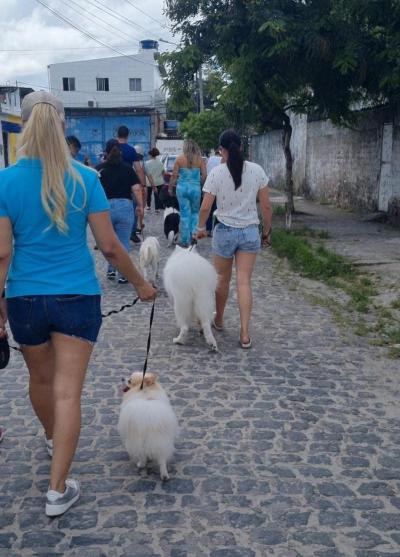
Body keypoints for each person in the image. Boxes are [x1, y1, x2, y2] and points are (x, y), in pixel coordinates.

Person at [0, 91, 156, 517]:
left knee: (39, 381)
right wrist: (141, 283)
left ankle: (54, 437)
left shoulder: (5, 180)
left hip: (24, 298)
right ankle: (57, 489)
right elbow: (108, 246)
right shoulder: (86, 178)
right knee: (68, 392)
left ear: (26, 122)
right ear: (63, 122)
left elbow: (2, 253)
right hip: (76, 297)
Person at [196, 129, 272, 349]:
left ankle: (218, 319)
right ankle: (245, 333)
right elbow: (266, 207)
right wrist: (266, 232)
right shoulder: (257, 171)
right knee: (244, 282)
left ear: (222, 151)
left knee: (222, 280)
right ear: (241, 146)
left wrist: (200, 228)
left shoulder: (217, 173)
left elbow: (205, 207)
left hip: (225, 232)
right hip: (249, 232)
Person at [96, 139, 144, 283]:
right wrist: (140, 205)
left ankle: (111, 270)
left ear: (106, 152)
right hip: (125, 206)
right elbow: (136, 188)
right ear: (120, 152)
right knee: (123, 243)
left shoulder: (99, 169)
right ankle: (123, 275)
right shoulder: (128, 169)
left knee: (109, 242)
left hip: (105, 208)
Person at [169, 139, 207, 247]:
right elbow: (204, 176)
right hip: (195, 189)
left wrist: (170, 188)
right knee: (195, 213)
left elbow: (174, 176)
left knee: (185, 214)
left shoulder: (179, 159)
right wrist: (202, 186)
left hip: (182, 189)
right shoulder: (200, 160)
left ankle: (185, 240)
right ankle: (194, 236)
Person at [116, 126, 145, 244]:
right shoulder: (131, 150)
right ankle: (131, 231)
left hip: (111, 182)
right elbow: (138, 169)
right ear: (128, 136)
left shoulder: (111, 147)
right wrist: (142, 184)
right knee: (132, 207)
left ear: (117, 134)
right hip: (128, 183)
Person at [205, 148, 221, 235]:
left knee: (208, 209)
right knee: (217, 210)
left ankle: (207, 230)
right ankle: (214, 230)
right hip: (219, 188)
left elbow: (206, 171)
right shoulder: (223, 160)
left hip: (210, 187)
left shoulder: (210, 159)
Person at [145, 147, 165, 213]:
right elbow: (163, 173)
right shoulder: (160, 163)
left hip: (149, 182)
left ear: (150, 155)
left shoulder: (147, 163)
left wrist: (153, 185)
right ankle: (157, 209)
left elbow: (148, 174)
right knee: (157, 195)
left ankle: (148, 206)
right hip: (159, 182)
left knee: (148, 194)